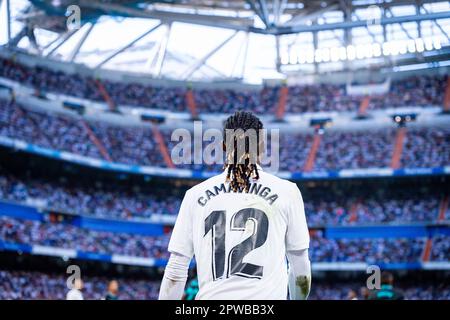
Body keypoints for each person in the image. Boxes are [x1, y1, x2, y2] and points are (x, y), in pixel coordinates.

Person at [159, 111, 311, 300]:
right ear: (262, 146)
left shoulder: (194, 195)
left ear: (224, 146)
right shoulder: (287, 192)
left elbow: (176, 270)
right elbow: (300, 268)